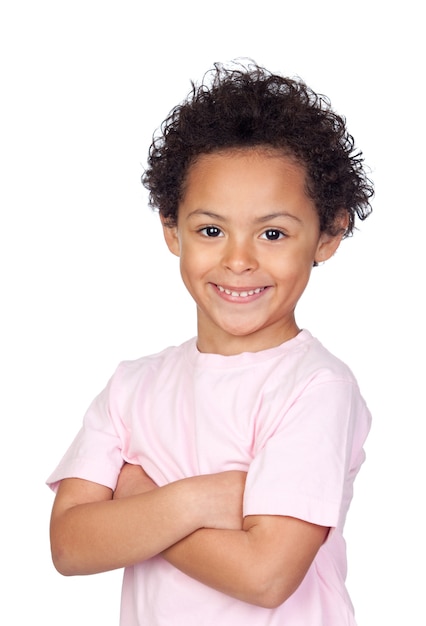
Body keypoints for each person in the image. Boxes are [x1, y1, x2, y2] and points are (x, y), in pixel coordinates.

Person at [47, 61, 374, 625]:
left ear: (328, 234)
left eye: (273, 233)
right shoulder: (133, 385)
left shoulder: (317, 387)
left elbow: (265, 575)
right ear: (172, 229)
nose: (239, 260)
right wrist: (194, 500)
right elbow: (70, 546)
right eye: (211, 230)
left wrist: (135, 500)